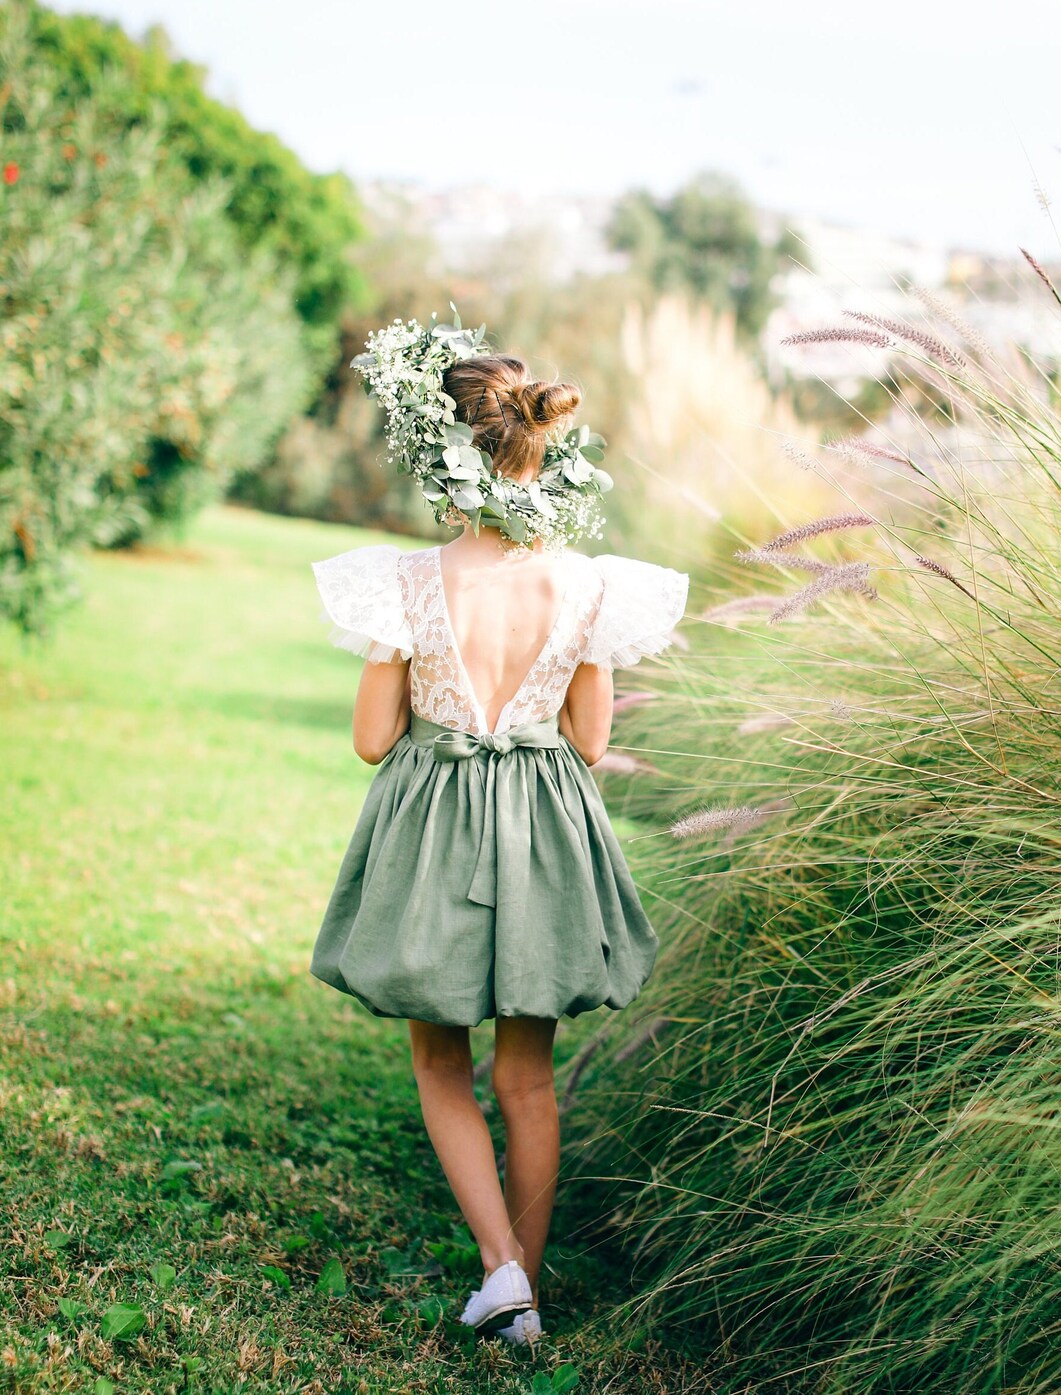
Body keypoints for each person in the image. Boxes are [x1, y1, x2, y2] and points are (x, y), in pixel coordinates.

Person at [309, 319, 689, 1349]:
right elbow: (594, 739)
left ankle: (502, 1272)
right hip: (543, 824)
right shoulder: (589, 584)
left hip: (433, 818)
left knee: (442, 1065)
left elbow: (371, 738)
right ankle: (523, 1288)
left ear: (442, 450)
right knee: (527, 1077)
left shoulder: (408, 582)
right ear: (537, 448)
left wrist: (429, 693)